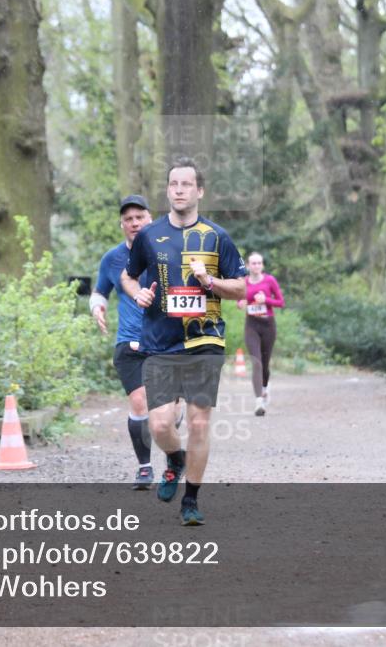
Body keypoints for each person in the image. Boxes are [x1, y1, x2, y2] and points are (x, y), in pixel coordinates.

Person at [121, 157, 246, 526]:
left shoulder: (216, 236)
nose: (179, 190)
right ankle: (175, 458)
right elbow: (128, 276)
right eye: (173, 184)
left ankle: (190, 499)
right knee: (160, 425)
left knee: (199, 423)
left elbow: (241, 287)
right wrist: (138, 294)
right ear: (167, 190)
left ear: (199, 191)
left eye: (186, 184)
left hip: (205, 340)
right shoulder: (149, 235)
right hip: (160, 341)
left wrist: (210, 282)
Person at [90, 195, 158, 490]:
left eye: (139, 217)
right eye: (128, 219)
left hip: (165, 340)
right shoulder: (112, 258)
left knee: (170, 411)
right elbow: (100, 291)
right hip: (129, 342)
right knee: (140, 401)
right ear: (122, 225)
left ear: (150, 220)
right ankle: (144, 468)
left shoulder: (167, 252)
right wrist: (97, 307)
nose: (134, 223)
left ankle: (170, 439)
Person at [236, 252, 285, 416]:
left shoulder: (270, 280)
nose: (256, 266)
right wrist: (240, 303)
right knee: (256, 362)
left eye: (259, 263)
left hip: (268, 326)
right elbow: (239, 300)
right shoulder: (243, 282)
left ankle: (265, 387)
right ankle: (259, 402)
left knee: (264, 363)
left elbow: (281, 302)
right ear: (248, 266)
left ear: (262, 265)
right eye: (253, 263)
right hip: (252, 325)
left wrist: (266, 300)